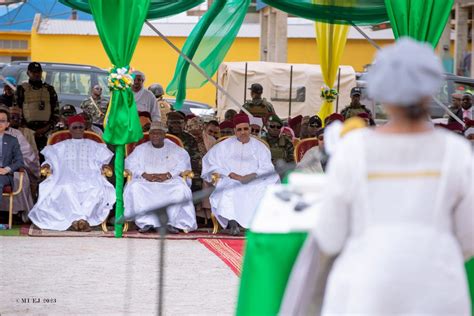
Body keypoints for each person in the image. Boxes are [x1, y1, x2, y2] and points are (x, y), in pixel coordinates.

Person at [284, 38, 474, 315]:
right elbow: (468, 237)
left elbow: (331, 236)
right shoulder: (456, 151)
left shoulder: (354, 148)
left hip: (365, 287)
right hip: (439, 289)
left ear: (382, 93)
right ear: (430, 91)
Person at [28, 114, 115, 232]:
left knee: (97, 189)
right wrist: (47, 165)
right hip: (65, 177)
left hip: (89, 178)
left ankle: (78, 221)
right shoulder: (60, 146)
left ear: (84, 128)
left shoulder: (95, 146)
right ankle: (81, 220)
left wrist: (104, 165)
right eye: (75, 127)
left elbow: (103, 160)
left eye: (81, 127)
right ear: (69, 129)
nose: (78, 130)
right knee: (66, 188)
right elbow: (50, 160)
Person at [202, 113, 280, 235]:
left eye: (245, 129)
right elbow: (210, 163)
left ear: (249, 129)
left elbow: (267, 167)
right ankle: (233, 225)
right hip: (230, 179)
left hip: (255, 179)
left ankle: (254, 226)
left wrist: (252, 176)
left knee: (261, 190)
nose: (243, 132)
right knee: (229, 189)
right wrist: (232, 174)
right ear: (234, 131)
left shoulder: (259, 146)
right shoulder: (224, 146)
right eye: (239, 130)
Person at [124, 121, 197, 234]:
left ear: (164, 135)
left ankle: (170, 222)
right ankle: (145, 223)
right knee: (135, 187)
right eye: (153, 133)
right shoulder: (140, 149)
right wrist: (144, 174)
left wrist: (168, 175)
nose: (155, 136)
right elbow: (130, 163)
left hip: (169, 181)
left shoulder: (175, 149)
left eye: (158, 133)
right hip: (146, 181)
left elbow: (183, 164)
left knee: (180, 189)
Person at [16, 62, 59, 151]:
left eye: (38, 72)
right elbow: (16, 111)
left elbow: (56, 112)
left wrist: (46, 128)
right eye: (33, 72)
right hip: (27, 132)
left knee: (45, 159)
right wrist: (27, 130)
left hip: (46, 132)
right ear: (28, 73)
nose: (36, 74)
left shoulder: (49, 89)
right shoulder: (21, 89)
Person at [166, 111, 201, 191]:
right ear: (167, 123)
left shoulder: (190, 139)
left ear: (184, 124)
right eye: (172, 123)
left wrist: (195, 178)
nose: (176, 126)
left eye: (179, 123)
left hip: (185, 173)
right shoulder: (163, 138)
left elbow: (195, 161)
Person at [0, 108, 24, 210]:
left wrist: (6, 169)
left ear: (7, 124)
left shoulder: (12, 140)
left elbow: (20, 161)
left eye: (2, 121)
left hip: (3, 175)